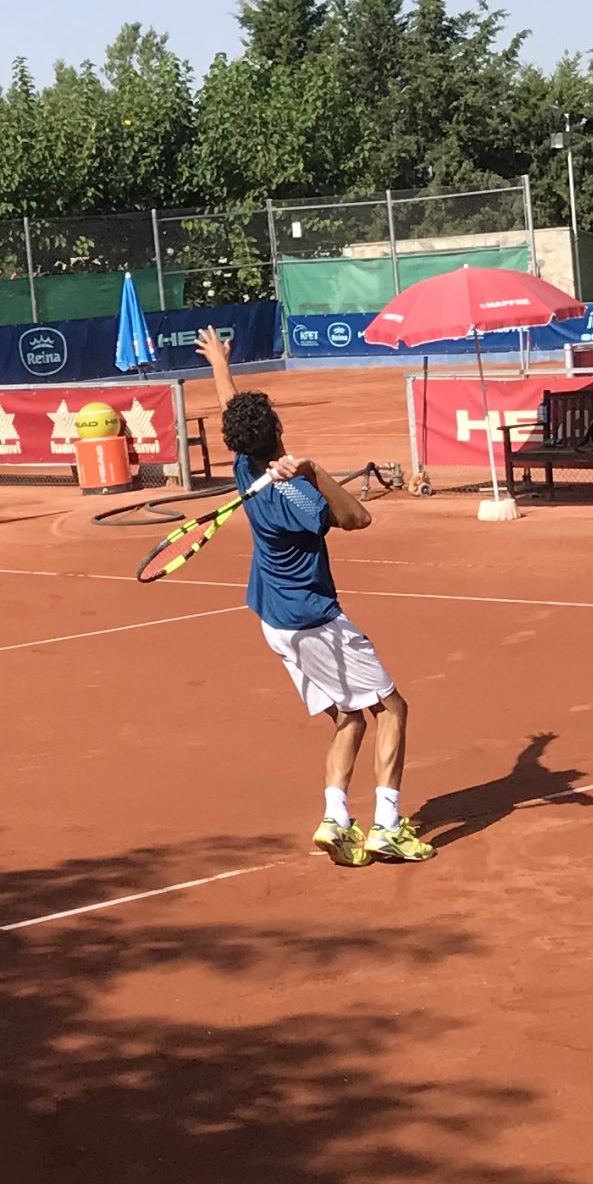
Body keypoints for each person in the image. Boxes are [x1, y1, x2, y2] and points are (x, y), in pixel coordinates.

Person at [193, 324, 429, 866]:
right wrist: (313, 471)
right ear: (278, 429)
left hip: (274, 620)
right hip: (315, 620)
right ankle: (387, 826)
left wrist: (220, 364)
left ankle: (336, 820)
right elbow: (359, 518)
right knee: (391, 708)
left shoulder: (243, 463)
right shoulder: (296, 496)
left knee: (349, 717)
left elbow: (235, 412)